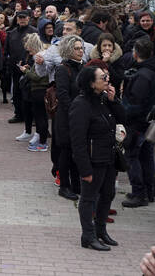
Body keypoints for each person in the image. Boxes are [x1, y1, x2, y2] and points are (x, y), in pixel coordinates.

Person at [69, 66, 124, 251]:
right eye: (103, 77)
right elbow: (77, 140)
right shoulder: (81, 104)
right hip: (93, 161)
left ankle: (101, 231)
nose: (107, 79)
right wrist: (84, 169)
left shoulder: (103, 100)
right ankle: (88, 235)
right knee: (88, 198)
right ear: (92, 83)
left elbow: (122, 118)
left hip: (108, 158)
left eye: (107, 76)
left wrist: (113, 100)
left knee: (108, 194)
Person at [121, 38, 155, 207]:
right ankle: (149, 191)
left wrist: (122, 112)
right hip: (146, 123)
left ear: (135, 53)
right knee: (146, 157)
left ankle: (139, 193)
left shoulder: (143, 75)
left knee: (132, 157)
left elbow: (136, 103)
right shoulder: (147, 71)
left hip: (138, 124)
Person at [54, 35, 85, 201]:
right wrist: (76, 111)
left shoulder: (83, 67)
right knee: (66, 151)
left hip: (80, 117)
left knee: (76, 151)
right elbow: (63, 95)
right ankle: (64, 185)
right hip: (67, 117)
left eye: (81, 48)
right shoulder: (62, 69)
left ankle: (76, 184)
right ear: (68, 50)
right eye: (77, 48)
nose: (80, 51)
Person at [17, 34, 50, 152]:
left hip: (39, 90)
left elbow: (38, 77)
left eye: (29, 49)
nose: (29, 52)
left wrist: (26, 71)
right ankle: (42, 141)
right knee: (42, 117)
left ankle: (42, 143)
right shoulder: (44, 54)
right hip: (41, 90)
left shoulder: (39, 56)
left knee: (40, 117)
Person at [5, 10, 36, 123]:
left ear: (28, 18)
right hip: (15, 67)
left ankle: (31, 116)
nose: (22, 19)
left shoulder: (34, 32)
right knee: (17, 93)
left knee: (29, 93)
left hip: (30, 67)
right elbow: (7, 51)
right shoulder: (11, 33)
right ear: (17, 19)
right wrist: (8, 65)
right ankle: (18, 114)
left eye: (24, 17)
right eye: (20, 17)